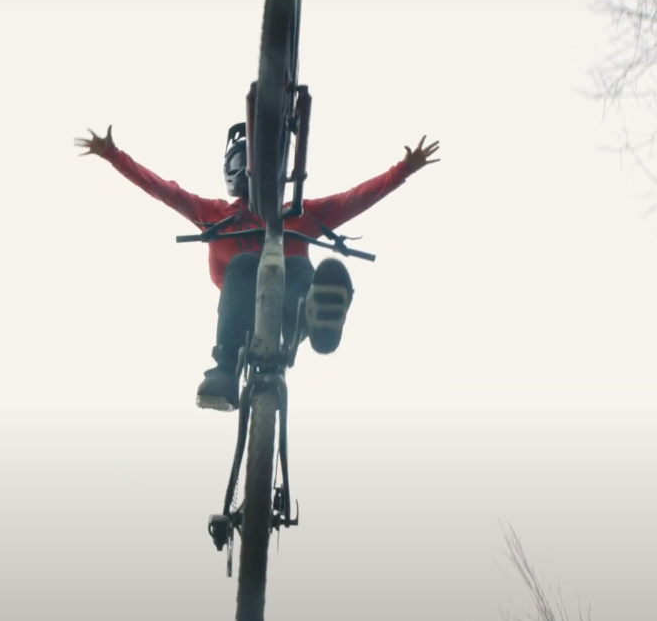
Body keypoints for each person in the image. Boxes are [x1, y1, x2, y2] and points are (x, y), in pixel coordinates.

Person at [74, 123, 440, 411]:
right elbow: (164, 190)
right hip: (241, 298)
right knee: (245, 264)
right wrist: (113, 155)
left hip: (288, 299)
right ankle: (226, 369)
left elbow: (354, 199)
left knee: (296, 266)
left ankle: (317, 320)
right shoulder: (216, 214)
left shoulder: (299, 213)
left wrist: (404, 168)